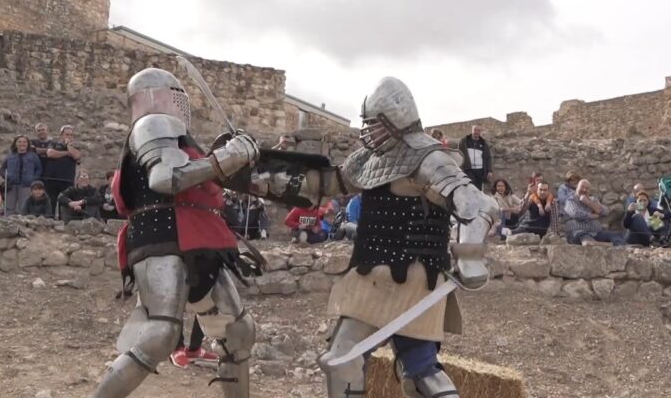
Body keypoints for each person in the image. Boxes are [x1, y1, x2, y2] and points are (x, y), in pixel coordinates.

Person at [245, 77, 498, 397]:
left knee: (355, 364)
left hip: (414, 280)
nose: (368, 130)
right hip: (375, 276)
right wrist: (259, 173)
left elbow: (476, 204)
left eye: (375, 124)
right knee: (412, 371)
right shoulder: (369, 158)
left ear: (396, 120)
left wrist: (470, 255)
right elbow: (324, 184)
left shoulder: (429, 158)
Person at [89, 68, 263, 398]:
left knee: (238, 331)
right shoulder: (154, 124)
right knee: (161, 334)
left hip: (198, 239)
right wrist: (228, 156)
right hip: (163, 237)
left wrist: (238, 160)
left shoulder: (178, 138)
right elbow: (166, 179)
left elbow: (200, 182)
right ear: (166, 96)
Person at [564, 179, 625, 246]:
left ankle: (616, 245)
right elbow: (576, 214)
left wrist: (589, 203)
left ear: (589, 191)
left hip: (596, 233)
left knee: (617, 235)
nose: (584, 190)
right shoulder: (570, 200)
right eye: (582, 187)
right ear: (577, 187)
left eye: (587, 188)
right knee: (584, 237)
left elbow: (605, 212)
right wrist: (594, 215)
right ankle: (608, 244)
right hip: (578, 232)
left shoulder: (593, 199)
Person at [0, 135, 43, 215]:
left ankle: (23, 224)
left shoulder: (33, 156)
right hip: (11, 185)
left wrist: (33, 179)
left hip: (26, 185)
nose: (22, 143)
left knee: (24, 207)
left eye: (24, 142)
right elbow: (2, 169)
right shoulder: (10, 155)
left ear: (28, 144)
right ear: (15, 143)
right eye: (19, 142)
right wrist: (7, 177)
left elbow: (39, 169)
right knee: (9, 206)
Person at [458, 125, 492, 191]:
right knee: (470, 188)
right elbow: (459, 155)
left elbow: (488, 157)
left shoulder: (484, 143)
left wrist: (489, 170)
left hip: (480, 170)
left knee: (479, 190)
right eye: (475, 130)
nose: (476, 132)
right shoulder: (464, 141)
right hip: (468, 169)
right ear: (472, 130)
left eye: (478, 130)